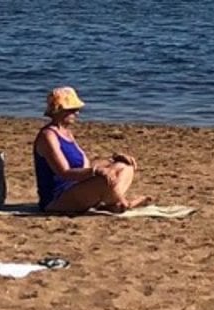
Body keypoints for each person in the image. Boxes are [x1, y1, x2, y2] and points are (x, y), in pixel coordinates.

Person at [33, 86, 148, 214]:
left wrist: (113, 160)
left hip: (78, 186)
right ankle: (122, 203)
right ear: (60, 110)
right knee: (104, 180)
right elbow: (64, 172)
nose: (77, 113)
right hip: (58, 197)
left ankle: (115, 202)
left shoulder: (67, 133)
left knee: (125, 167)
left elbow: (85, 165)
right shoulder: (48, 136)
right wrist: (97, 171)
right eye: (73, 110)